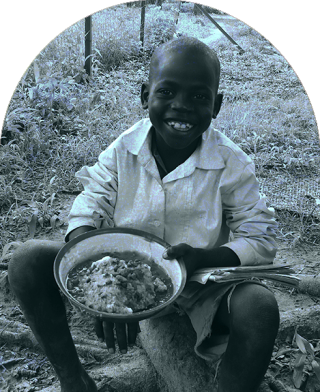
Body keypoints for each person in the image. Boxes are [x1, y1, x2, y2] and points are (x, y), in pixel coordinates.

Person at [8, 37, 280, 392]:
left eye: (199, 97)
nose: (181, 107)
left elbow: (260, 237)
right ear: (144, 95)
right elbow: (91, 203)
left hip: (201, 283)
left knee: (260, 307)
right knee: (27, 260)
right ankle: (74, 380)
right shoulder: (124, 149)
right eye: (167, 92)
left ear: (217, 105)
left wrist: (203, 258)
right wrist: (104, 279)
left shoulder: (231, 163)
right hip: (124, 271)